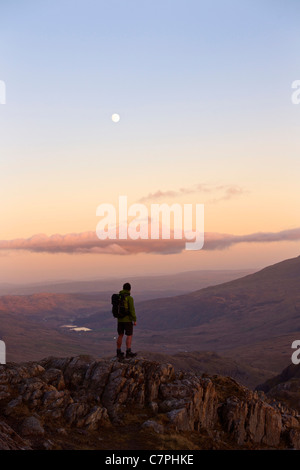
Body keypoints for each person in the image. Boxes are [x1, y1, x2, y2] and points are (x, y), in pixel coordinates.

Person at [116, 282, 137, 358]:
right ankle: (128, 352)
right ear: (129, 289)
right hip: (127, 320)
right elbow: (132, 310)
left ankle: (118, 351)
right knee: (129, 335)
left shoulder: (119, 297)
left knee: (120, 335)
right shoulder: (129, 298)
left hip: (120, 320)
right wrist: (134, 319)